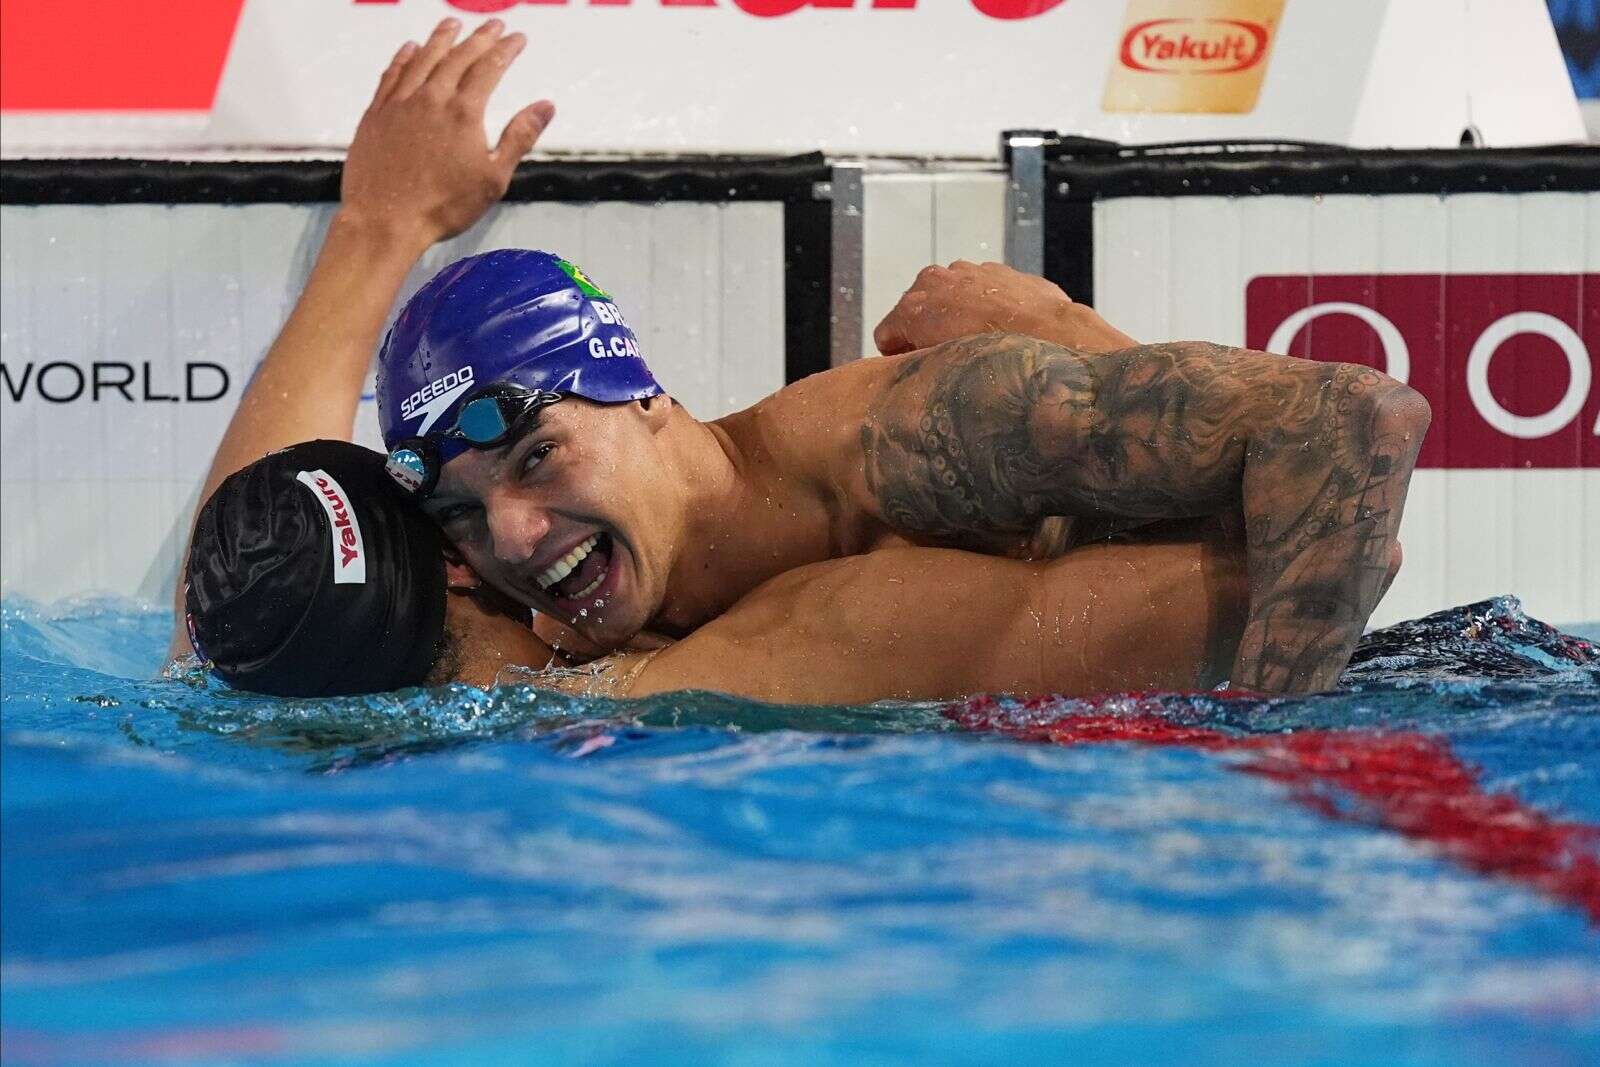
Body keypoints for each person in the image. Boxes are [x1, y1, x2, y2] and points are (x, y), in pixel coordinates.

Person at [183, 439, 1247, 703]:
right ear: (460, 566)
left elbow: (246, 584)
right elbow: (1260, 590)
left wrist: (378, 234)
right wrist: (1065, 331)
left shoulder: (278, 687)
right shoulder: (793, 644)